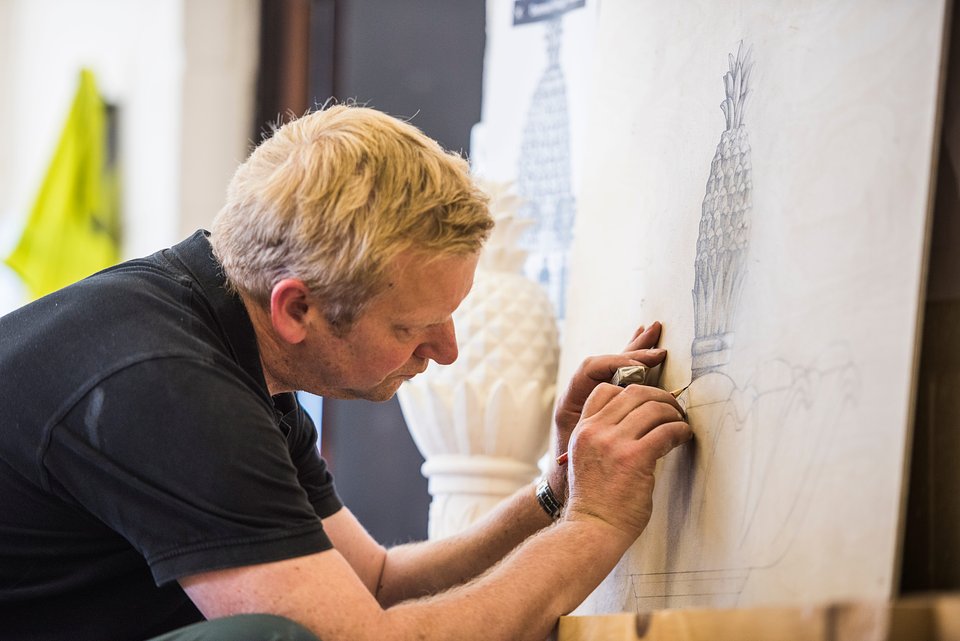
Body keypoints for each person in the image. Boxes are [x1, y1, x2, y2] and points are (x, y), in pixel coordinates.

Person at [0, 105, 691, 641]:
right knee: (269, 638)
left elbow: (377, 584)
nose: (446, 350)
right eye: (411, 327)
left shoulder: (230, 341)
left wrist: (556, 492)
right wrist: (596, 523)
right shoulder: (169, 387)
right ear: (296, 307)